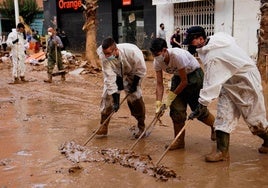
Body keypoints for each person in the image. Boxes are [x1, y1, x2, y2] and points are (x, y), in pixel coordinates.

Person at [184, 26, 268, 162]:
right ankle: (222, 152)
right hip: (228, 81)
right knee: (223, 116)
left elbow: (210, 83)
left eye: (190, 41)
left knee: (255, 120)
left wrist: (202, 104)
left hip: (245, 81)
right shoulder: (217, 38)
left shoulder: (213, 57)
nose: (189, 45)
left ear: (200, 39)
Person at [149, 38, 216, 150]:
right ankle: (179, 141)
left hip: (194, 77)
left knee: (198, 111)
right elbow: (159, 84)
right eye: (153, 54)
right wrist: (158, 104)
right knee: (176, 111)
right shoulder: (157, 61)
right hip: (178, 78)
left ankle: (215, 126)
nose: (155, 57)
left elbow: (184, 82)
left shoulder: (177, 56)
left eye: (157, 54)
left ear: (165, 50)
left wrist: (169, 99)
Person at [96, 37, 147, 139]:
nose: (106, 56)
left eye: (109, 54)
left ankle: (141, 126)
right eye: (105, 54)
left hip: (133, 72)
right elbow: (110, 79)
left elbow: (141, 70)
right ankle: (103, 125)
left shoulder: (133, 52)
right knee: (107, 96)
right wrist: (116, 100)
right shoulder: (103, 56)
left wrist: (134, 85)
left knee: (135, 98)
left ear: (116, 50)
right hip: (116, 72)